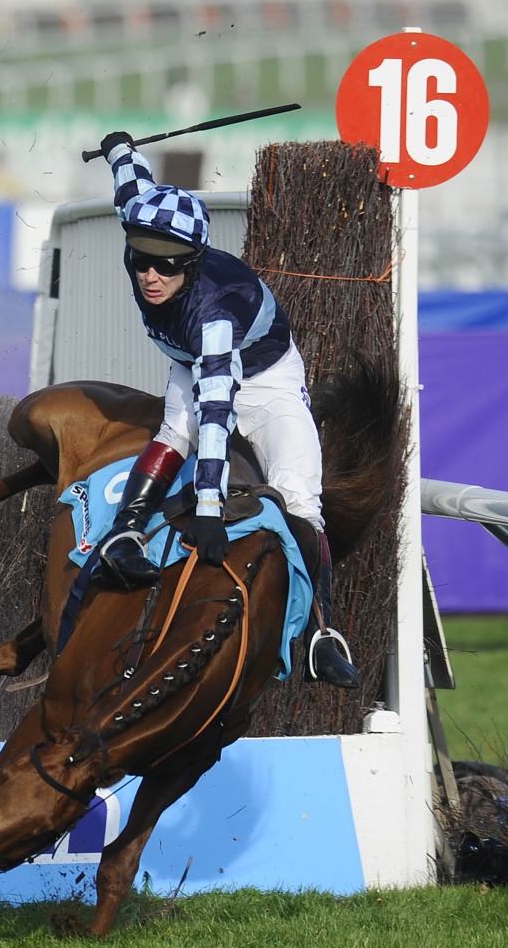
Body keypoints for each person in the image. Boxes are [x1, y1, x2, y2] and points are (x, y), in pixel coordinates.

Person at [96, 131, 359, 690]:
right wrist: (119, 149)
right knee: (173, 429)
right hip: (191, 361)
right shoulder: (144, 234)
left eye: (167, 267)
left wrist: (210, 508)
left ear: (192, 265)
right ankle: (123, 535)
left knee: (298, 495)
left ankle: (319, 633)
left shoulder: (214, 312)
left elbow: (216, 413)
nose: (151, 276)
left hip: (265, 379)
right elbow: (133, 187)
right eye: (142, 260)